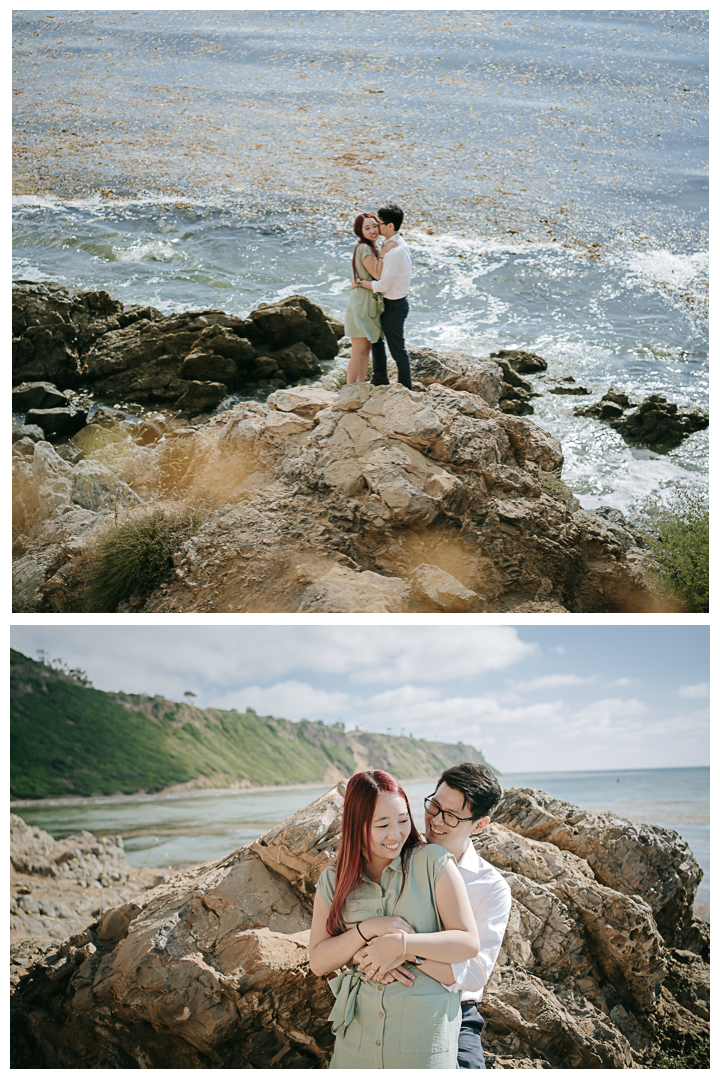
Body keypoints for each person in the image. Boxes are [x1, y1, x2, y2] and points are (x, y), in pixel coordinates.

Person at [309, 770, 480, 1070]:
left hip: (424, 1046)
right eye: (382, 825)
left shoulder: (432, 861)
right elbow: (318, 961)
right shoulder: (333, 881)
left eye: (403, 820)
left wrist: (400, 946)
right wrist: (367, 931)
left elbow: (467, 942)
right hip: (356, 1047)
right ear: (356, 825)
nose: (396, 834)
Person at [419, 763, 512, 1069]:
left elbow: (473, 974)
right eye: (435, 805)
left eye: (452, 816)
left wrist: (404, 951)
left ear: (480, 824)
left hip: (458, 1014)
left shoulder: (491, 888)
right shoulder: (398, 857)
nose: (436, 820)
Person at [354, 202, 413, 389]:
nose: (376, 226)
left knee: (397, 350)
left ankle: (406, 388)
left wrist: (360, 283)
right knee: (377, 340)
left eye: (379, 223)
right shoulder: (392, 244)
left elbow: (383, 285)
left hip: (394, 305)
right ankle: (380, 376)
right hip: (391, 303)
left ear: (390, 226)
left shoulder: (394, 251)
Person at [344, 213, 385, 384]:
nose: (373, 230)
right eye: (367, 228)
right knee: (359, 350)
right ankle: (349, 389)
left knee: (366, 349)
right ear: (360, 231)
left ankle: (360, 385)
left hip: (366, 300)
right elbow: (377, 273)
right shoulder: (365, 248)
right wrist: (385, 253)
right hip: (363, 303)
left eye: (375, 226)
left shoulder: (371, 248)